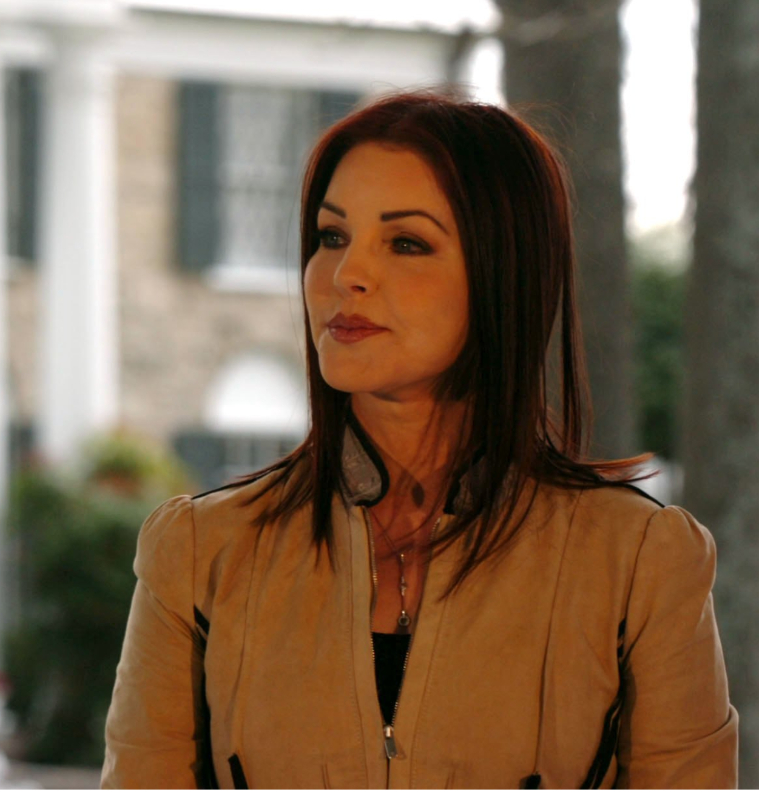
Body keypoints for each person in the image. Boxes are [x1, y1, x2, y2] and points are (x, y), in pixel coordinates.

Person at [100, 90, 738, 789]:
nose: (348, 275)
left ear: (503, 272)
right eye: (331, 236)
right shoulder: (199, 552)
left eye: (406, 243)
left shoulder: (640, 561)